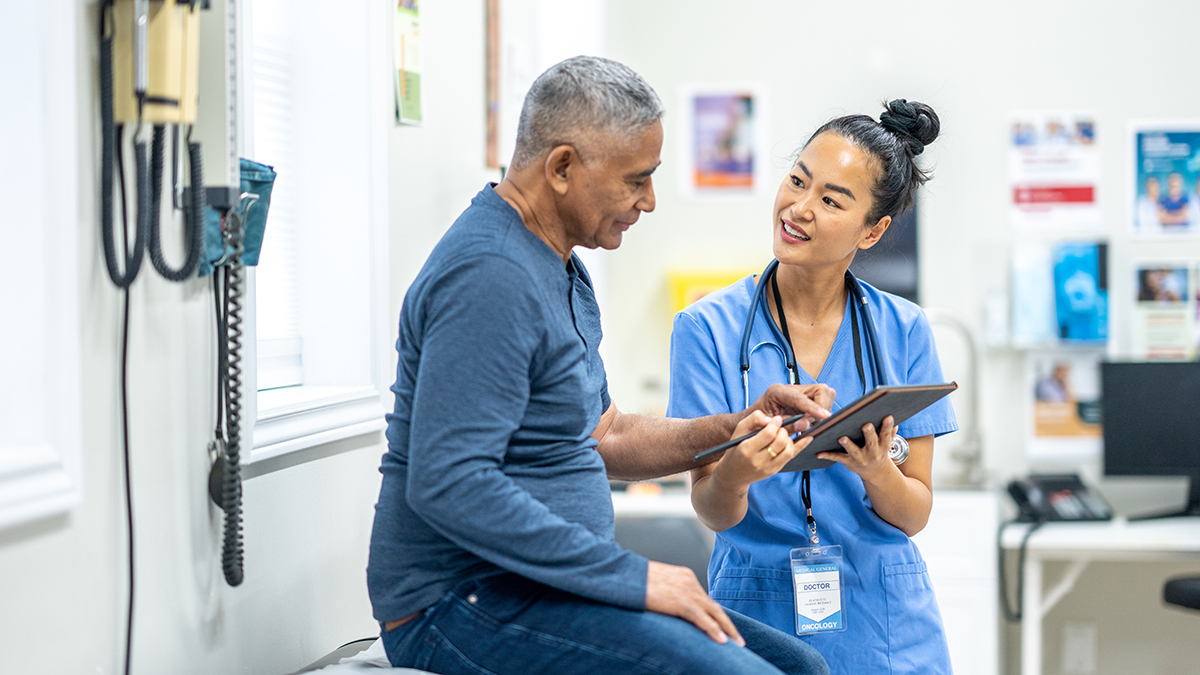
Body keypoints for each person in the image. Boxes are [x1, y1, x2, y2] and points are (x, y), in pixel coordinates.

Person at [367, 56, 833, 675]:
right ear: (561, 167)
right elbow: (448, 482)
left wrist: (732, 429)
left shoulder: (559, 262)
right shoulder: (491, 276)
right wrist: (634, 578)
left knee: (802, 666)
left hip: (535, 589)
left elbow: (604, 434)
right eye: (635, 179)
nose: (649, 201)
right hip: (457, 602)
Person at [667, 100, 959, 675]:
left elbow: (915, 511)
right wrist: (738, 471)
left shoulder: (904, 330)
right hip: (758, 611)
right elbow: (711, 508)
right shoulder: (705, 328)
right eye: (797, 180)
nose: (798, 208)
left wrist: (876, 470)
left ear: (873, 230)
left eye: (830, 200)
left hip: (887, 622)